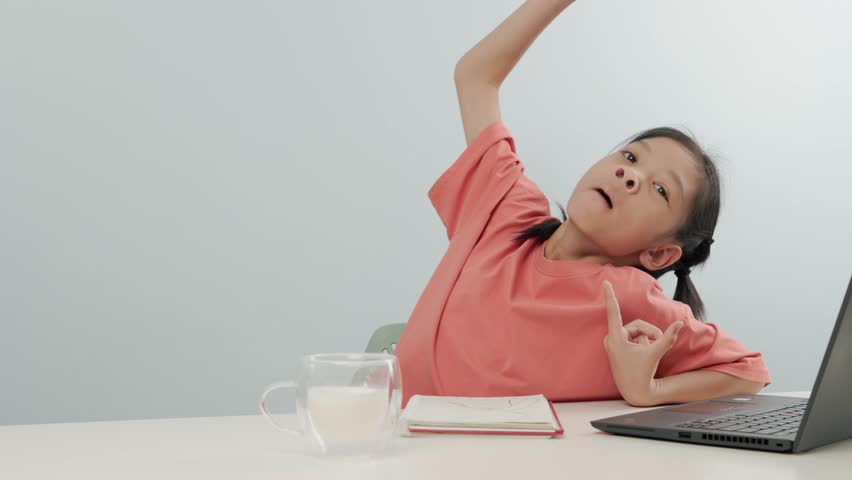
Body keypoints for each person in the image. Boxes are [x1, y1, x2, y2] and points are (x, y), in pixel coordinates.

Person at [394, 0, 770, 407]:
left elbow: (748, 370)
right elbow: (475, 76)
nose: (631, 176)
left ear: (660, 252)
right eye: (630, 157)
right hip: (395, 446)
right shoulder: (506, 208)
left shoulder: (629, 300)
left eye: (660, 189)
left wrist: (649, 389)